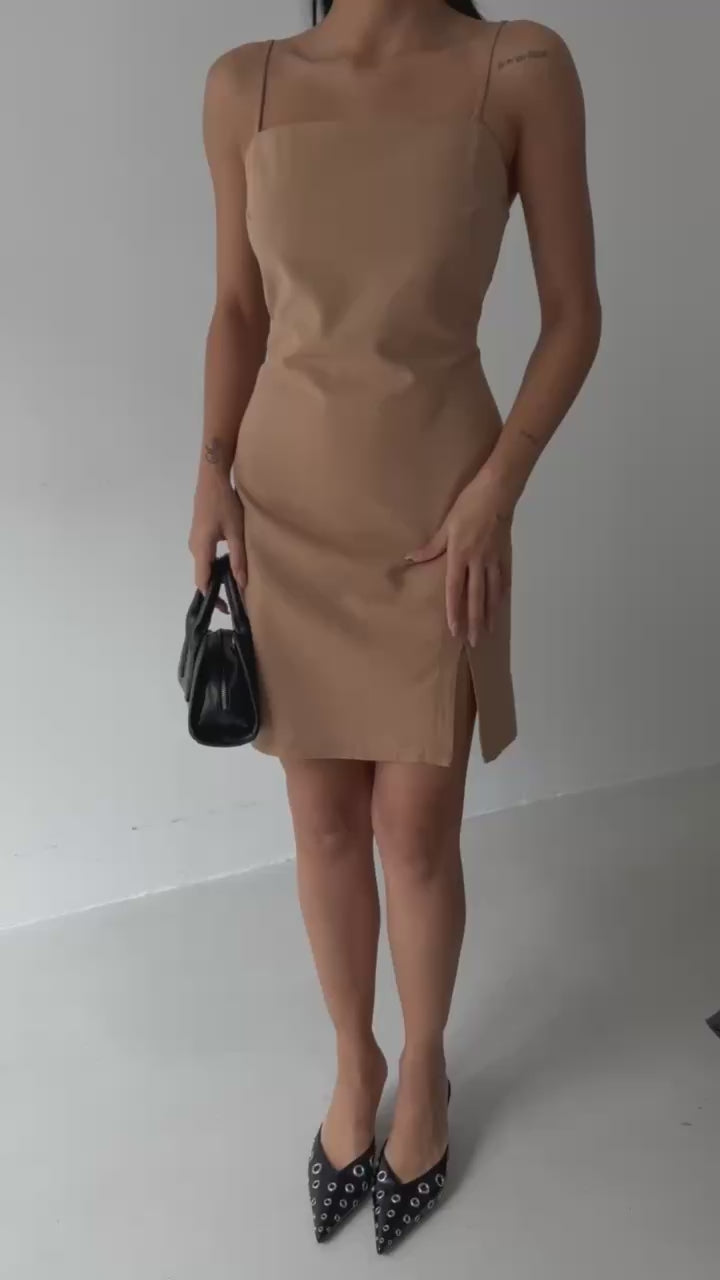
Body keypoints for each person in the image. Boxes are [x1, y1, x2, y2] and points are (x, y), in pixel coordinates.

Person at [188, 0, 600, 1252]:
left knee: (414, 829)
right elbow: (239, 309)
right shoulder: (245, 83)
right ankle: (353, 1062)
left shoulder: (518, 65)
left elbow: (574, 314)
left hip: (442, 511)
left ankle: (424, 1065)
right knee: (321, 820)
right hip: (287, 512)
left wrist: (496, 490)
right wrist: (211, 467)